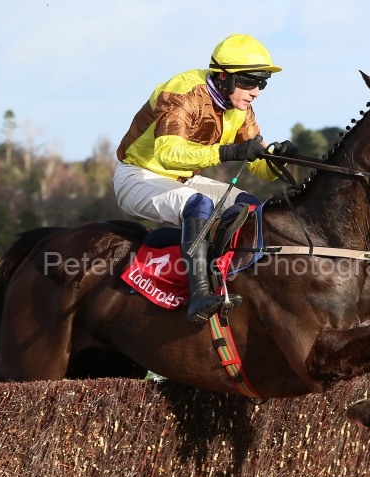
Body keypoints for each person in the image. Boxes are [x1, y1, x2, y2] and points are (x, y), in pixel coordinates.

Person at [114, 34, 298, 325]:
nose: (256, 92)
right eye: (249, 82)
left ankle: (233, 280)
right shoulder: (182, 91)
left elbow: (260, 169)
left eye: (262, 83)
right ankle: (199, 295)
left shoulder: (240, 108)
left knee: (249, 206)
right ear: (223, 76)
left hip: (182, 180)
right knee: (198, 204)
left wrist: (277, 159)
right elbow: (168, 154)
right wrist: (229, 152)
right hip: (139, 176)